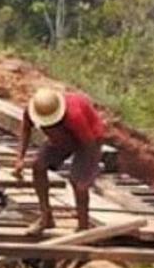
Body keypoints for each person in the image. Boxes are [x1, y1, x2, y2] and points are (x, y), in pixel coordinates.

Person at [13, 88, 106, 235]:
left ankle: (83, 227)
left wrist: (87, 171)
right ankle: (46, 217)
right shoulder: (32, 110)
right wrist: (20, 159)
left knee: (79, 183)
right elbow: (25, 129)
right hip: (61, 140)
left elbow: (89, 145)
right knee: (38, 165)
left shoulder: (75, 116)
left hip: (90, 139)